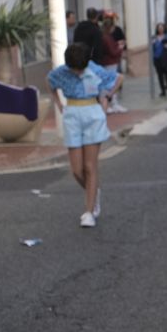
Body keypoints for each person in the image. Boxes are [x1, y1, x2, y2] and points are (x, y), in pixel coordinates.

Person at [47, 42, 119, 227]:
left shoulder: (94, 69)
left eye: (80, 69)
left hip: (92, 114)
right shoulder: (61, 72)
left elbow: (118, 78)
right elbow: (50, 83)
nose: (77, 72)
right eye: (74, 69)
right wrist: (59, 105)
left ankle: (89, 212)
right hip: (72, 115)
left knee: (89, 166)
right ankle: (94, 191)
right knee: (76, 170)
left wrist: (107, 98)